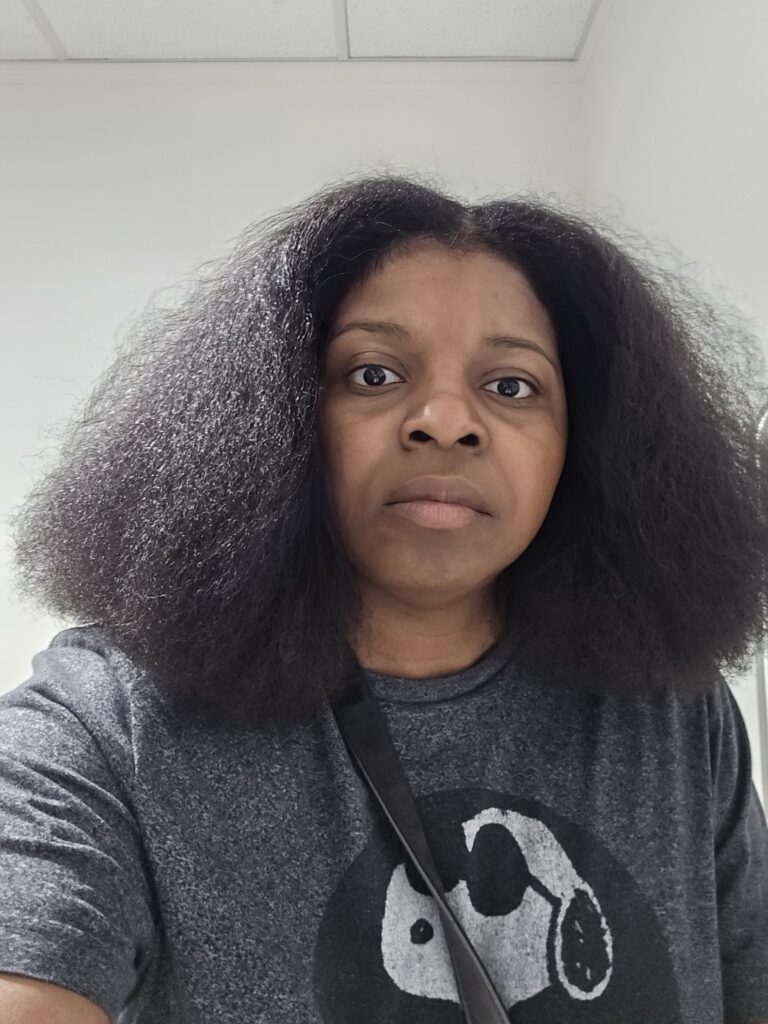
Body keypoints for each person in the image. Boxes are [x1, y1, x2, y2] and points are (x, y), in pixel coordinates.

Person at [1, 171, 767, 1023]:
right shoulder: (104, 723)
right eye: (373, 374)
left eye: (512, 386)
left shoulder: (674, 709)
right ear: (279, 418)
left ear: (582, 445)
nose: (445, 419)